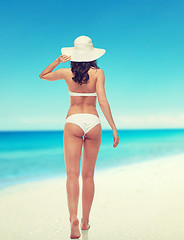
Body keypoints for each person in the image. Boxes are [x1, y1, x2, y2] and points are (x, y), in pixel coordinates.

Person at [39, 35, 119, 239]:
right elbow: (102, 100)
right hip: (93, 122)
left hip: (73, 121)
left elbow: (43, 75)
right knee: (89, 176)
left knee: (72, 175)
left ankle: (73, 217)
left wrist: (58, 60)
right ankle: (85, 221)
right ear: (92, 55)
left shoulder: (67, 72)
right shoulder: (99, 73)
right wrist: (113, 127)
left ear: (74, 54)